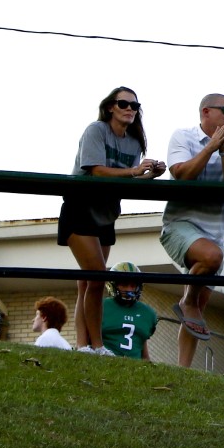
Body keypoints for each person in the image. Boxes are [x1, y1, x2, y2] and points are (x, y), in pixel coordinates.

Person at [59, 87, 166, 352]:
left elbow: (128, 179)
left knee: (88, 281)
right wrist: (133, 170)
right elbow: (95, 170)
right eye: (123, 103)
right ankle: (95, 346)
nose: (130, 108)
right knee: (96, 278)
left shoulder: (135, 142)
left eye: (135, 105)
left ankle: (85, 346)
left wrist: (151, 175)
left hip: (106, 213)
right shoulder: (96, 130)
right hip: (80, 208)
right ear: (110, 107)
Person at [164, 94, 224, 369]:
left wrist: (223, 151)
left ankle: (183, 369)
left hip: (214, 232)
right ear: (205, 112)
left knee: (198, 309)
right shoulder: (182, 137)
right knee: (210, 258)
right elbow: (182, 174)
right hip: (180, 225)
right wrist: (210, 147)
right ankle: (187, 299)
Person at [101, 262, 160, 360]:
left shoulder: (147, 313)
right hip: (104, 362)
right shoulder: (101, 306)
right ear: (113, 285)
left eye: (133, 285)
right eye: (124, 284)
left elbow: (142, 344)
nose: (129, 290)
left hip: (134, 368)